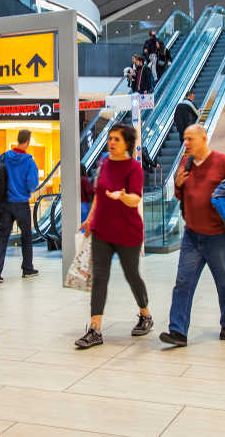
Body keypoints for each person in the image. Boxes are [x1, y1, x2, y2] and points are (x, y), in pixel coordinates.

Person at [160, 125, 225, 347]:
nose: (186, 142)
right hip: (192, 236)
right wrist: (178, 185)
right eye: (184, 138)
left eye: (190, 138)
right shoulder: (185, 164)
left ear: (204, 139)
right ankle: (178, 331)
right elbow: (181, 195)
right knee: (183, 283)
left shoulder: (222, 162)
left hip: (218, 236)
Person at [76, 125, 153, 348]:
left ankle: (145, 315)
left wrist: (122, 196)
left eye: (116, 139)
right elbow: (99, 196)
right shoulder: (105, 164)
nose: (111, 142)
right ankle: (95, 329)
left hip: (127, 231)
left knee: (132, 275)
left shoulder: (134, 168)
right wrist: (90, 219)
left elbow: (135, 199)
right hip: (102, 231)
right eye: (110, 138)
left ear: (127, 143)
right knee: (100, 278)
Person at [0, 129, 40, 283]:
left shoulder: (4, 156)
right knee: (26, 236)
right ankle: (27, 268)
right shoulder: (29, 161)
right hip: (21, 204)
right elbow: (32, 184)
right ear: (28, 142)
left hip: (4, 203)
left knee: (2, 236)